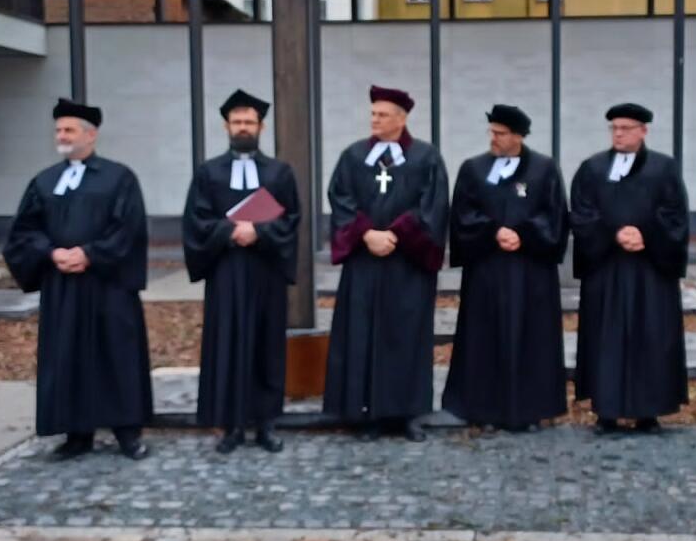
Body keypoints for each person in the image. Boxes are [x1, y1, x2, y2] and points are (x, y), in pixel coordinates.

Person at [3, 98, 152, 461]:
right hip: (63, 287)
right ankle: (76, 434)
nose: (62, 136)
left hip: (108, 285)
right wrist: (51, 253)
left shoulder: (119, 178)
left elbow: (129, 229)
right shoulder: (44, 181)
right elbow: (24, 230)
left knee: (116, 355)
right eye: (58, 130)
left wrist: (90, 254)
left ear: (91, 134)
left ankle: (127, 433)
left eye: (69, 130)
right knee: (68, 356)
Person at [323, 85, 449, 441]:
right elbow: (340, 197)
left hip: (407, 264)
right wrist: (366, 233)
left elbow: (434, 205)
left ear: (401, 119)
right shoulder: (354, 156)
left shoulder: (425, 157)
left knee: (406, 336)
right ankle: (368, 413)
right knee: (362, 334)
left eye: (382, 115)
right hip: (365, 262)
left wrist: (395, 234)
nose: (374, 120)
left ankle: (407, 414)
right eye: (373, 114)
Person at [182, 89, 301, 455]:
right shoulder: (209, 172)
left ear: (261, 126)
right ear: (226, 126)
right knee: (227, 346)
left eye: (250, 122)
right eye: (237, 122)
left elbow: (291, 219)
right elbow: (196, 220)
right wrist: (230, 231)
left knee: (266, 346)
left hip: (266, 271)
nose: (243, 127)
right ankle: (231, 426)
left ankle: (266, 424)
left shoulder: (279, 172)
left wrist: (259, 231)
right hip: (226, 272)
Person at [444, 104, 569, 431]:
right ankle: (482, 410)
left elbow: (554, 215)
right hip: (487, 270)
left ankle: (530, 411)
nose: (493, 138)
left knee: (532, 338)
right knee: (484, 338)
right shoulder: (473, 168)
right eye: (492, 132)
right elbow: (463, 214)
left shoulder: (544, 169)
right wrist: (493, 232)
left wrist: (523, 234)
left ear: (518, 136)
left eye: (500, 133)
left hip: (531, 272)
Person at [570, 103, 690, 435]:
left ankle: (648, 412)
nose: (618, 134)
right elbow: (581, 212)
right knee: (605, 339)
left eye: (626, 128)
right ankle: (605, 411)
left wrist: (646, 234)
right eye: (614, 128)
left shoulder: (663, 169)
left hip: (649, 271)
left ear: (643, 131)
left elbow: (675, 214)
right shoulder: (593, 168)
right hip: (607, 269)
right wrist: (613, 233)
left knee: (651, 337)